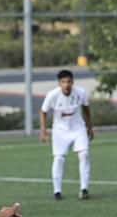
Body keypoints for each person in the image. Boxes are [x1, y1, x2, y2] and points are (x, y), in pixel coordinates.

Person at [39, 69, 94, 201]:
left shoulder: (80, 92)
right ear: (59, 83)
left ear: (73, 82)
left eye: (69, 81)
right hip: (59, 131)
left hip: (78, 128)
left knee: (84, 154)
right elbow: (43, 111)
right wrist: (43, 130)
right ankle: (57, 190)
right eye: (63, 82)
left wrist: (90, 127)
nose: (66, 84)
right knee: (58, 158)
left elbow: (86, 108)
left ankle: (84, 189)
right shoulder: (52, 95)